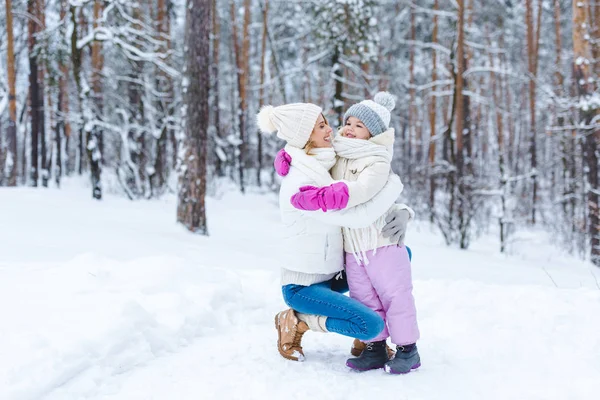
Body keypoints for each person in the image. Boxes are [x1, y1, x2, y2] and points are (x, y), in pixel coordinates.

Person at [256, 103, 411, 364]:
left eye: (327, 121)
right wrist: (395, 186)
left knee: (399, 256)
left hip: (331, 273)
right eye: (320, 126)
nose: (331, 129)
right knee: (369, 325)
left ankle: (371, 341)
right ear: (305, 136)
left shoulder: (326, 160)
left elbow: (366, 180)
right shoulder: (301, 184)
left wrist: (404, 210)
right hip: (303, 286)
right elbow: (359, 214)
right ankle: (299, 320)